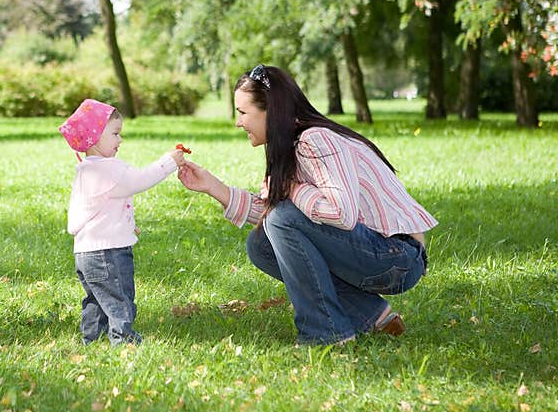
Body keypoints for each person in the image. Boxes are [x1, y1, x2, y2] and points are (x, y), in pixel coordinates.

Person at [177, 65, 437, 346]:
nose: (238, 123)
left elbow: (342, 214)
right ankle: (372, 315)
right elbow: (277, 217)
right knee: (261, 245)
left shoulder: (315, 140)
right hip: (374, 252)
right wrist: (213, 186)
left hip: (398, 257)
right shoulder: (291, 145)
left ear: (271, 111)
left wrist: (291, 188)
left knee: (280, 220)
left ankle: (325, 333)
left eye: (242, 113)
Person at [59, 98, 186, 346]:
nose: (120, 140)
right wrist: (170, 161)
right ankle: (124, 341)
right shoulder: (106, 170)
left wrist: (126, 225)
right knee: (120, 299)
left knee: (97, 299)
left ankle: (92, 340)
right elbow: (140, 180)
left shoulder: (87, 170)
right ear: (94, 138)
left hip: (87, 253)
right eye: (115, 134)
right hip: (108, 253)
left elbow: (96, 211)